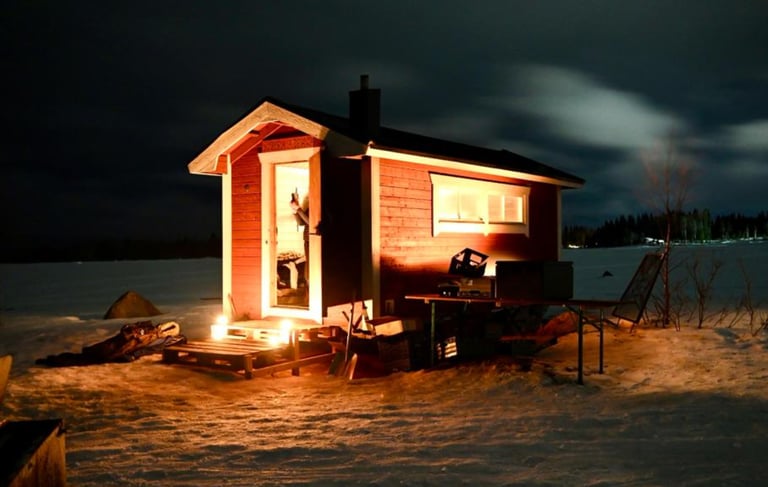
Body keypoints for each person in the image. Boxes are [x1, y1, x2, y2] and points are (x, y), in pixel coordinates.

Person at [290, 192, 310, 286]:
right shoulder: (311, 207)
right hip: (307, 239)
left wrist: (298, 209)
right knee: (308, 265)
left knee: (311, 267)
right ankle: (308, 287)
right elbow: (302, 223)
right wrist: (295, 211)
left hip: (314, 240)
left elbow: (312, 222)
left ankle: (310, 288)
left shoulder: (320, 206)